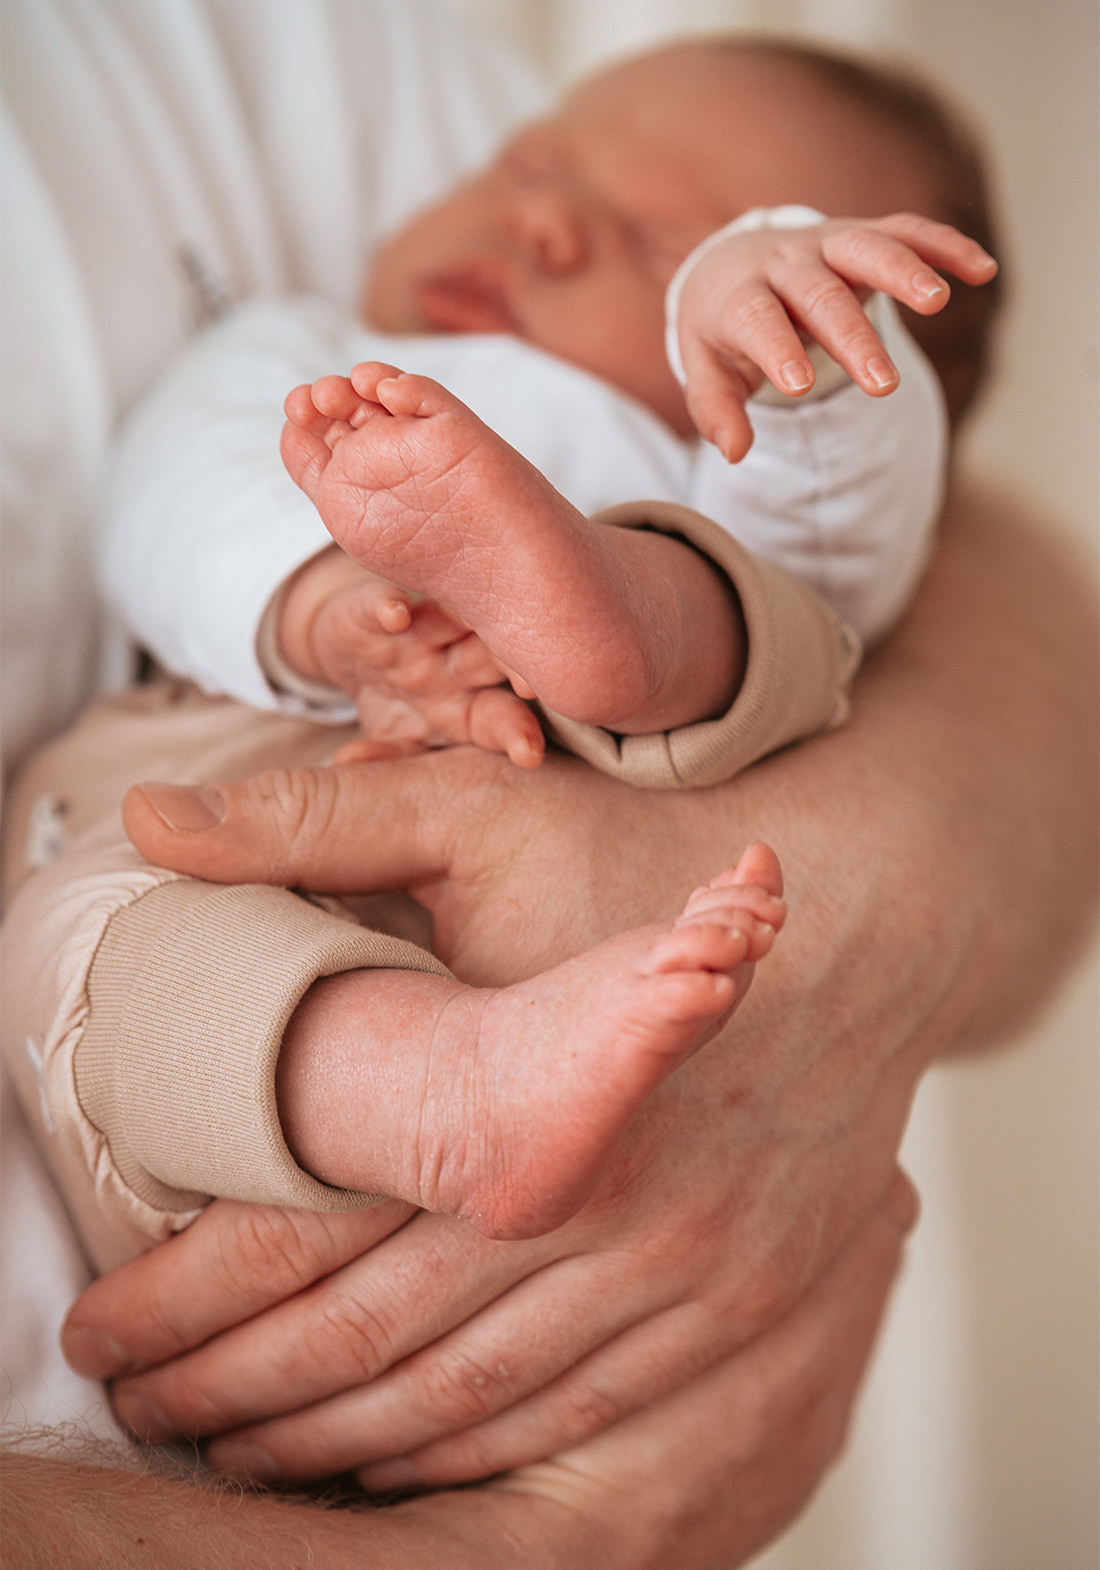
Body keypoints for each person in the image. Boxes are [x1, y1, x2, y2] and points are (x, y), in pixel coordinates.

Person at [2, 6, 1095, 1567]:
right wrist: (322, 604)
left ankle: (611, 618)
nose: (547, 212)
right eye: (529, 164)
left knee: (783, 619)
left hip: (649, 693)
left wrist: (776, 315)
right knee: (113, 931)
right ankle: (441, 1077)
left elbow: (867, 518)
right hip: (239, 814)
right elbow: (175, 489)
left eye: (665, 235)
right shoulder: (319, 356)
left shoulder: (730, 464)